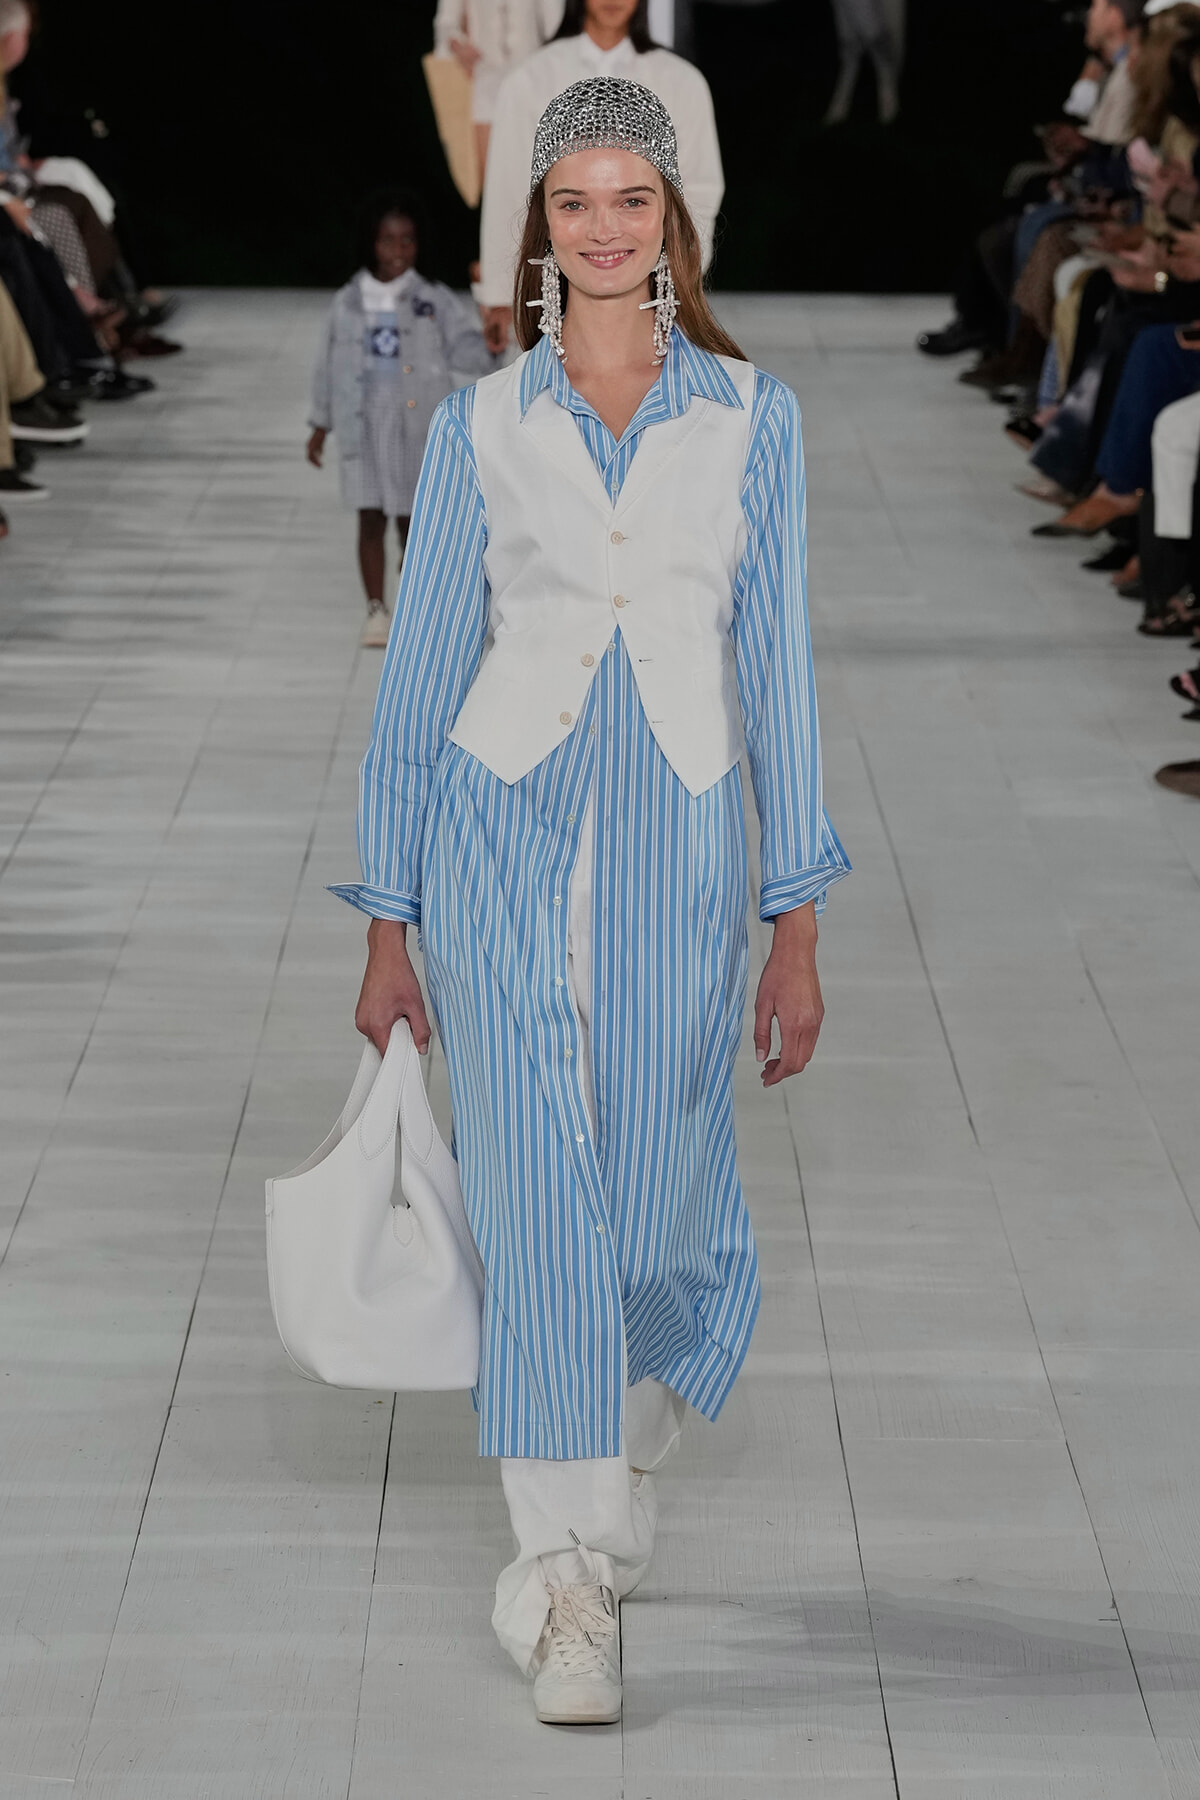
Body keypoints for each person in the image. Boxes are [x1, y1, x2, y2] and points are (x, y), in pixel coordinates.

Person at [333, 77, 849, 1725]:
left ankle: (606, 1468)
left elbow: (777, 671)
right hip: (502, 829)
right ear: (541, 224)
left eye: (633, 200)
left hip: (682, 839)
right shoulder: (487, 422)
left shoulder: (751, 417)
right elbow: (421, 682)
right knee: (543, 1205)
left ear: (672, 220)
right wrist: (387, 920)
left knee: (671, 1198)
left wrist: (798, 916)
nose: (605, 229)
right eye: (575, 202)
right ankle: (565, 1583)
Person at [306, 191, 497, 648]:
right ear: (370, 243)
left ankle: (416, 605)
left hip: (418, 426)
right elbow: (326, 364)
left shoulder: (432, 299)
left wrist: (491, 341)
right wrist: (320, 424)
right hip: (364, 421)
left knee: (416, 520)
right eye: (387, 240)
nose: (398, 251)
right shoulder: (349, 301)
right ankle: (376, 610)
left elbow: (466, 351)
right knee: (369, 516)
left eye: (407, 241)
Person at [476, 0, 723, 350]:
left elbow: (699, 188)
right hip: (550, 293)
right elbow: (507, 187)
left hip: (653, 293)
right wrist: (501, 293)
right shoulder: (531, 78)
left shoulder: (680, 81)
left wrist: (682, 281)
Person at [433, 0, 565, 175]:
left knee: (535, 172)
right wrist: (458, 45)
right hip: (483, 80)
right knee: (488, 175)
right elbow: (445, 24)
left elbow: (557, 27)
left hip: (532, 82)